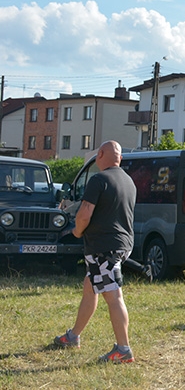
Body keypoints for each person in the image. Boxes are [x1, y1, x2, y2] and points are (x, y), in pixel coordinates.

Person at [52, 140, 137, 363]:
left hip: (104, 248)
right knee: (91, 287)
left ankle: (123, 349)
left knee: (113, 295)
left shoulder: (99, 179)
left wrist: (78, 232)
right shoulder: (128, 181)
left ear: (100, 154)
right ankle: (73, 336)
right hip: (122, 244)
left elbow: (84, 214)